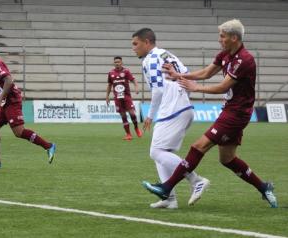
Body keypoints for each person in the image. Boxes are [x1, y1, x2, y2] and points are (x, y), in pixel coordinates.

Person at [142, 19, 278, 208]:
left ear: (234, 37)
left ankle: (168, 187)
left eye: (222, 36)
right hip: (231, 110)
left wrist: (195, 88)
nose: (219, 39)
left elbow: (223, 87)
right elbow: (206, 72)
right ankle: (264, 187)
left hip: (237, 113)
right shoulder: (225, 54)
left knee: (199, 146)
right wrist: (180, 76)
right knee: (227, 159)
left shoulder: (244, 60)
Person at [132, 28, 210, 209]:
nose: (134, 48)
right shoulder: (167, 55)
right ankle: (169, 198)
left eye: (136, 44)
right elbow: (189, 77)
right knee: (161, 152)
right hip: (184, 106)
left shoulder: (150, 59)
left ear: (147, 42)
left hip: (173, 108)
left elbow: (158, 90)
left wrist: (150, 115)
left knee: (156, 153)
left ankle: (196, 180)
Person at [0, 42, 56, 168]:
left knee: (19, 132)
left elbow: (9, 81)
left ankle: (49, 146)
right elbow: (0, 88)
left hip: (12, 101)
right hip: (4, 102)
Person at [106, 56, 143, 140]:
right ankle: (128, 134)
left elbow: (133, 80)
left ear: (121, 63)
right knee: (123, 116)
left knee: (132, 114)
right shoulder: (111, 73)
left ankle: (136, 128)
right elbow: (109, 85)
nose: (117, 63)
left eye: (118, 62)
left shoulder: (126, 71)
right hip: (117, 98)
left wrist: (136, 87)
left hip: (126, 97)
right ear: (113, 63)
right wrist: (107, 97)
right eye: (115, 62)